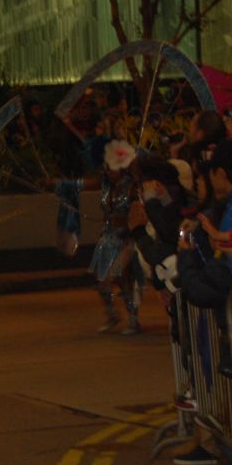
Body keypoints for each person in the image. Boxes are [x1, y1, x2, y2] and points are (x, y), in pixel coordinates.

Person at [92, 140, 142, 334]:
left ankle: (133, 319)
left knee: (121, 277)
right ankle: (113, 315)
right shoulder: (108, 188)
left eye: (112, 169)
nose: (109, 172)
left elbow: (136, 213)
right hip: (109, 239)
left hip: (128, 239)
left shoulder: (132, 188)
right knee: (102, 279)